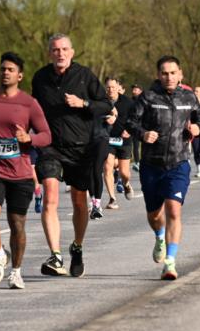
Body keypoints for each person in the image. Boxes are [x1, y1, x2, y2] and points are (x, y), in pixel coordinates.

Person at [0, 52, 52, 289]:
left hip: (20, 172)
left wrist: (29, 138)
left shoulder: (29, 103)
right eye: (3, 69)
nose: (5, 72)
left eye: (11, 69)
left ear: (20, 75)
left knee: (17, 224)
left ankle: (16, 271)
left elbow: (46, 135)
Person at [31, 33, 112, 278]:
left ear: (72, 52)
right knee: (50, 197)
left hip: (80, 147)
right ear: (49, 53)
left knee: (79, 201)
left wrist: (84, 103)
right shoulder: (40, 78)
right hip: (50, 147)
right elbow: (32, 110)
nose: (60, 53)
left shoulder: (85, 75)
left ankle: (77, 246)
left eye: (64, 49)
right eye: (55, 50)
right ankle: (55, 256)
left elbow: (106, 105)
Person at [125, 55, 200, 281]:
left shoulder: (189, 97)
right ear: (158, 75)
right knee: (154, 214)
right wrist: (143, 134)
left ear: (180, 74)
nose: (169, 77)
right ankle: (159, 236)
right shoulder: (148, 98)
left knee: (173, 209)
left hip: (178, 162)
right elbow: (130, 122)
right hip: (152, 164)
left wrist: (197, 129)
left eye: (173, 73)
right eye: (164, 73)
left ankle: (170, 262)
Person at [102, 76, 135, 206]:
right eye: (108, 87)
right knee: (107, 167)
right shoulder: (101, 102)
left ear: (118, 88)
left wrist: (129, 130)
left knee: (124, 173)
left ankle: (126, 184)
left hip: (124, 140)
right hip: (107, 139)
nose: (111, 90)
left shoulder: (128, 102)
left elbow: (135, 120)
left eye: (113, 87)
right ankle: (112, 198)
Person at [130, 84, 144, 170]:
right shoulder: (129, 100)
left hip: (141, 126)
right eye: (133, 89)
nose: (134, 91)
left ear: (140, 91)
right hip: (131, 125)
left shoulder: (143, 100)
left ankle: (141, 162)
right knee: (132, 145)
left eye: (136, 89)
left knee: (138, 145)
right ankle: (137, 162)